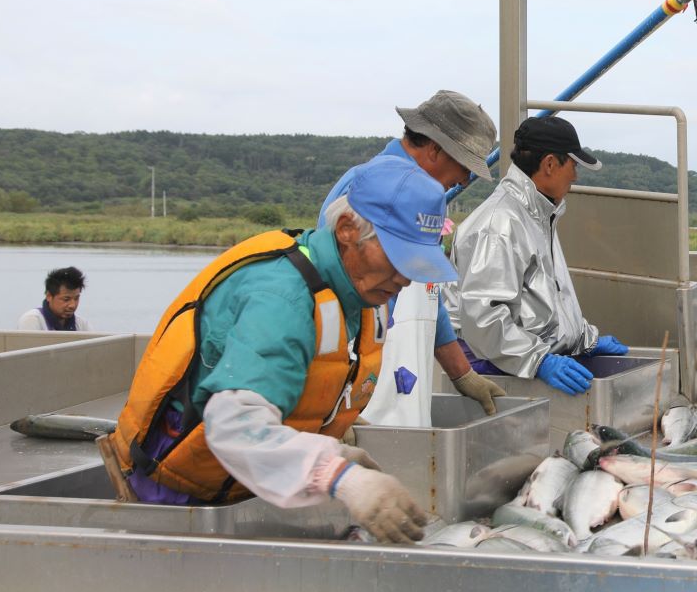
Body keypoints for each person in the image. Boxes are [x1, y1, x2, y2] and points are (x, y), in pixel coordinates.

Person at [100, 155, 450, 545]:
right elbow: (235, 424)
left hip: (242, 490)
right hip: (179, 500)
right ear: (348, 230)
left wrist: (334, 441)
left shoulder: (356, 294)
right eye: (397, 255)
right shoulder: (280, 298)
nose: (405, 277)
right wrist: (337, 476)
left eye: (417, 262)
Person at [320, 90, 505, 419]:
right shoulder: (364, 193)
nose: (465, 179)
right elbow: (330, 311)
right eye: (464, 165)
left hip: (404, 386)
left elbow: (427, 294)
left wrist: (462, 374)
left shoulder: (427, 202)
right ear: (434, 149)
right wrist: (331, 408)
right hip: (359, 393)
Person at [453, 115, 628, 397]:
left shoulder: (538, 214)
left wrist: (585, 340)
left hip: (524, 363)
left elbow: (548, 297)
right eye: (573, 166)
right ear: (549, 164)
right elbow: (483, 320)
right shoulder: (499, 224)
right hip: (497, 372)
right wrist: (540, 361)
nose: (576, 177)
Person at [16, 266, 87, 331]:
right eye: (66, 299)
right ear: (49, 296)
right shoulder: (31, 320)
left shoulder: (82, 324)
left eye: (76, 299)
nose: (72, 305)